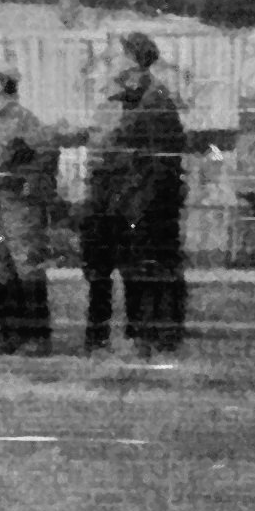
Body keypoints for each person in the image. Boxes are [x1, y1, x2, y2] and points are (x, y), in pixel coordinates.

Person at [81, 31, 189, 355]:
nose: (111, 60)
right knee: (135, 268)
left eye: (117, 54)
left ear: (131, 60)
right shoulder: (134, 95)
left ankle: (152, 337)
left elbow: (152, 154)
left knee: (149, 268)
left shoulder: (153, 99)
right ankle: (142, 335)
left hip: (148, 199)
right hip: (132, 197)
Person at [0, 67, 58, 353]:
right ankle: (11, 336)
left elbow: (46, 155)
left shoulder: (22, 120)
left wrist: (27, 183)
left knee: (26, 271)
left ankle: (37, 338)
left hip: (19, 210)